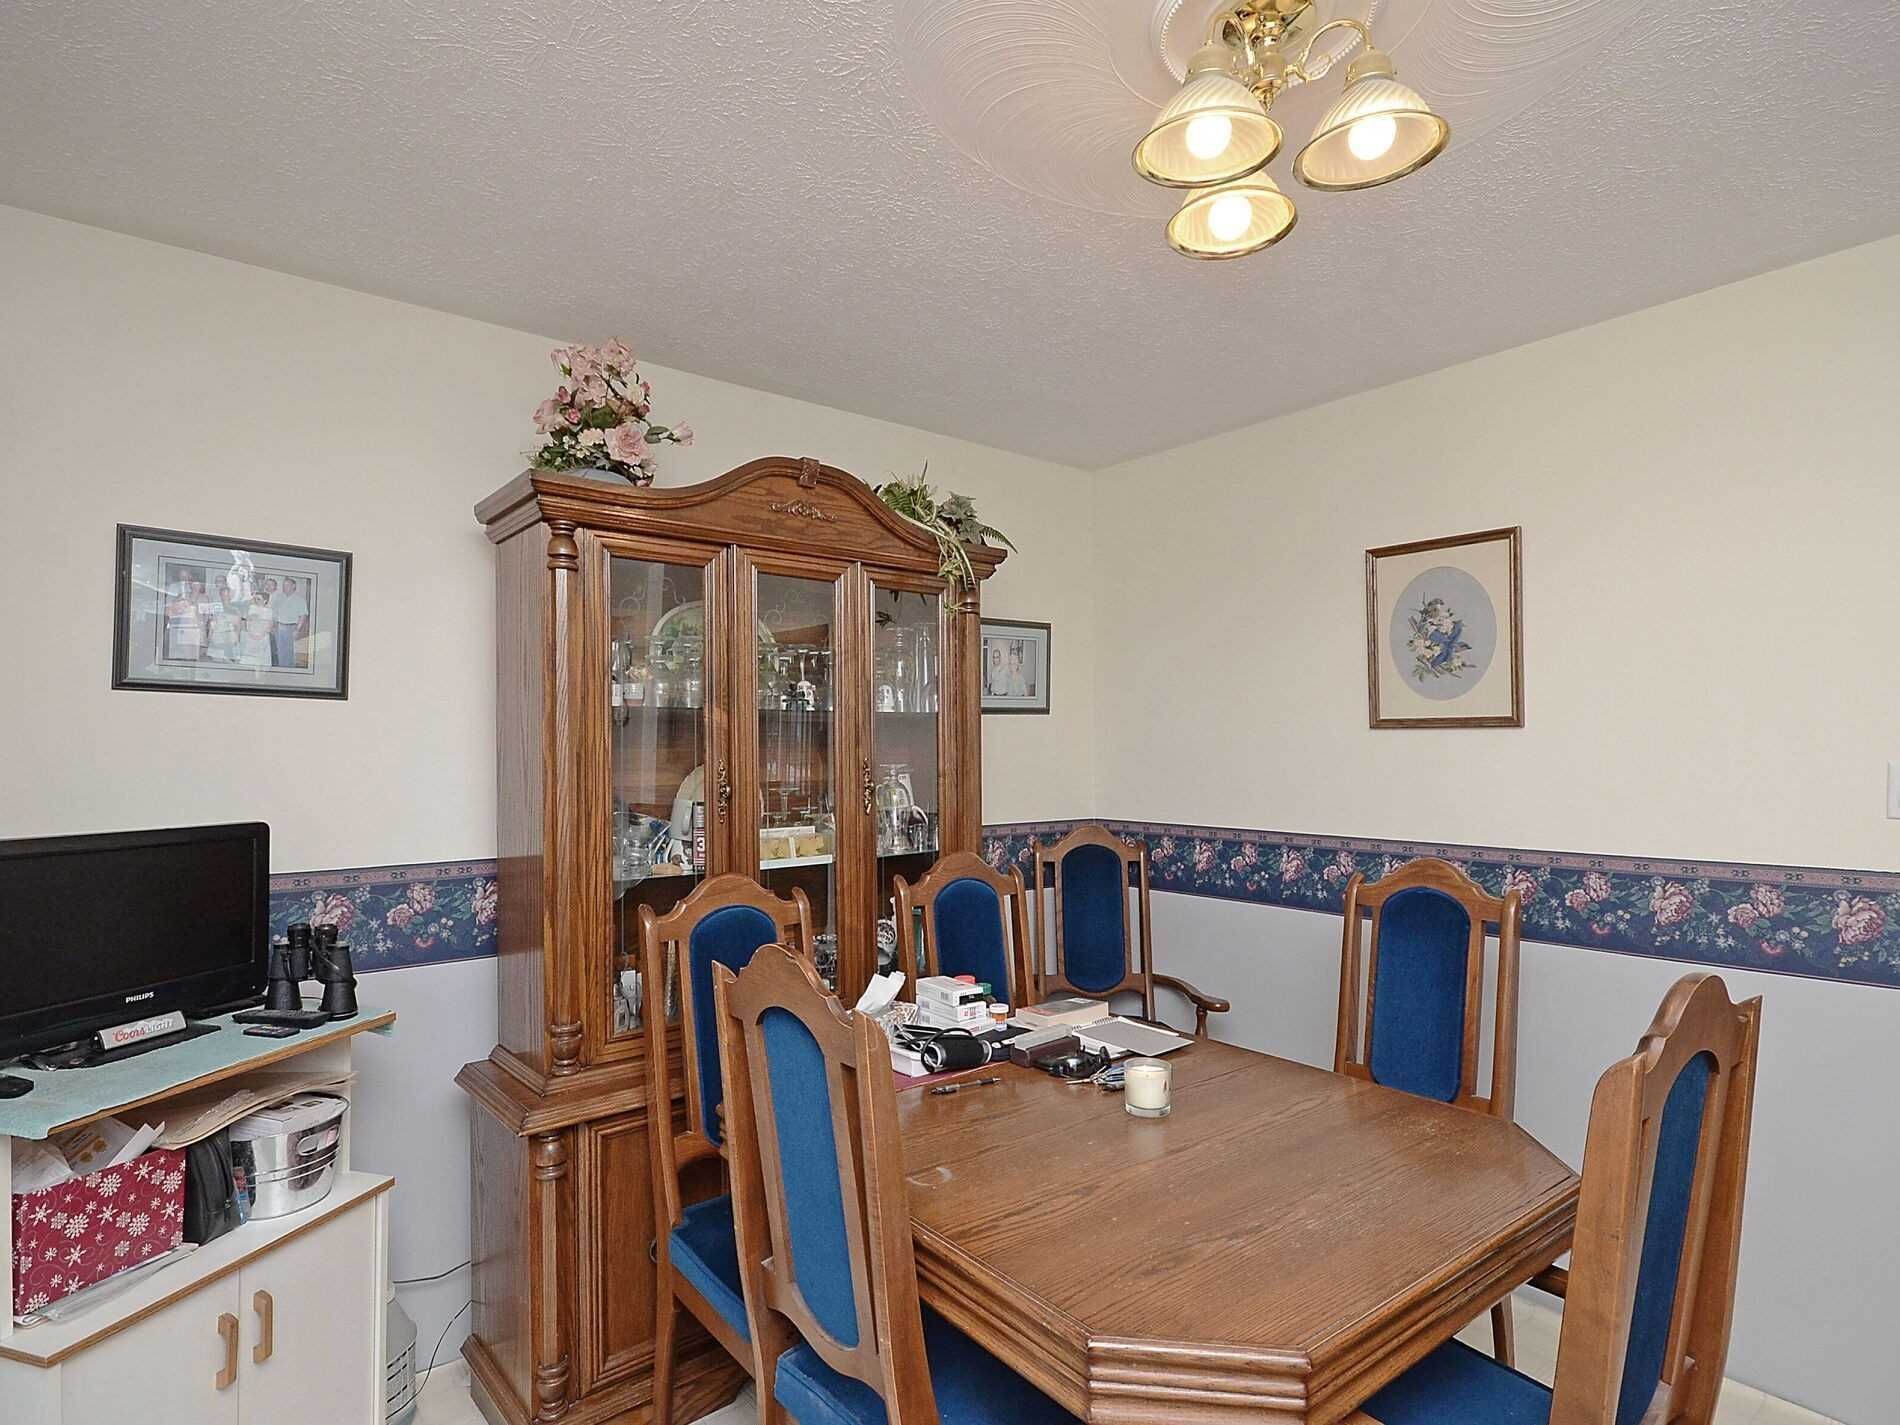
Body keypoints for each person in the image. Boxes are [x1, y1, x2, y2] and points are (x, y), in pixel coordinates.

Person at [164, 568, 206, 661]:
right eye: (182, 576)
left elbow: (202, 613)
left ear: (190, 576)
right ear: (179, 576)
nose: (184, 578)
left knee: (192, 650)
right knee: (176, 647)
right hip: (176, 620)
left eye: (186, 576)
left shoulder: (194, 590)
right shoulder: (173, 587)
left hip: (191, 623)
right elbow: (169, 605)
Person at [271, 575, 310, 669]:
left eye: (287, 585)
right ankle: (281, 669)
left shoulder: (300, 600)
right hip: (279, 627)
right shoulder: (279, 597)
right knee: (280, 651)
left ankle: (290, 670)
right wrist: (273, 625)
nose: (285, 587)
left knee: (290, 651)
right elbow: (274, 612)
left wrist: (297, 629)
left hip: (291, 628)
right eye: (284, 585)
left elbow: (303, 615)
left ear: (293, 586)